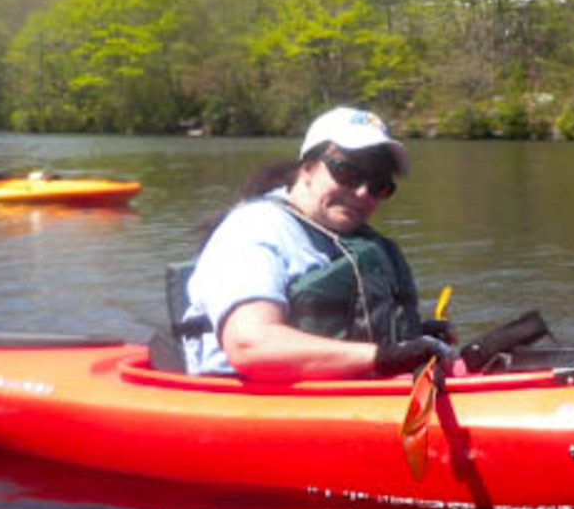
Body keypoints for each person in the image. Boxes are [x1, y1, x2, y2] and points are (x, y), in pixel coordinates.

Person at [181, 106, 458, 380]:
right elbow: (250, 346)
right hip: (250, 403)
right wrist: (385, 357)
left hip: (338, 392)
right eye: (348, 173)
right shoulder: (251, 231)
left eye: (379, 185)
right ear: (308, 168)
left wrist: (410, 339)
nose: (362, 192)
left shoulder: (344, 235)